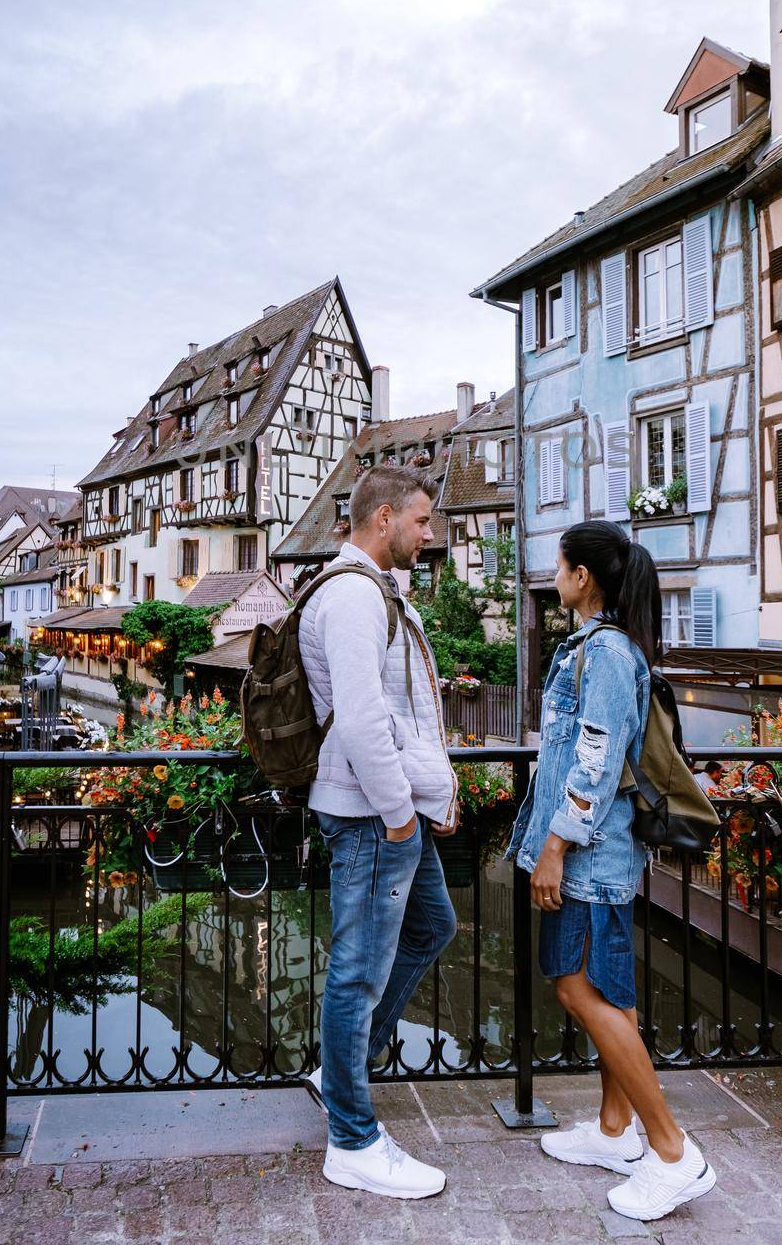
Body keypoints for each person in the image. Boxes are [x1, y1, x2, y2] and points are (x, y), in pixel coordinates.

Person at [506, 520, 717, 1224]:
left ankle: (671, 1153)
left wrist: (555, 847)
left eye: (559, 564)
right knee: (607, 990)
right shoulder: (605, 649)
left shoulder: (603, 655)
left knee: (578, 989)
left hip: (590, 855)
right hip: (601, 850)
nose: (553, 574)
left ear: (582, 578)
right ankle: (612, 1132)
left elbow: (593, 761)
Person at [299, 465, 459, 1199]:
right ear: (385, 517)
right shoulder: (354, 597)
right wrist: (400, 811)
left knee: (431, 925)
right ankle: (353, 1141)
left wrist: (417, 798)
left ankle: (339, 1071)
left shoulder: (377, 593)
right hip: (370, 813)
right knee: (357, 970)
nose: (430, 535)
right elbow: (362, 718)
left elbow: (393, 711)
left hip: (388, 808)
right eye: (422, 522)